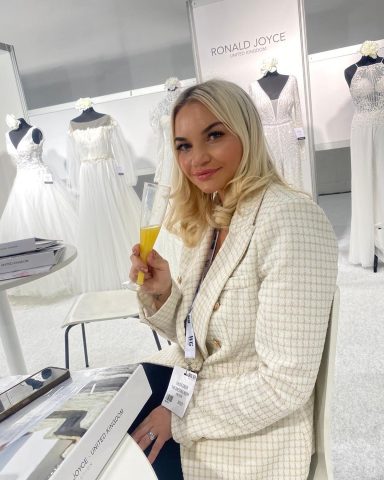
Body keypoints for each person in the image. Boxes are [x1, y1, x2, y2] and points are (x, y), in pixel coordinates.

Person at [129, 79, 338, 480]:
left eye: (214, 135)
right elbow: (198, 338)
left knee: (112, 462)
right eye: (184, 145)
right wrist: (163, 295)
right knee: (97, 418)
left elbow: (284, 385)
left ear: (246, 132)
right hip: (193, 385)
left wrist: (175, 419)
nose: (197, 159)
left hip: (245, 437)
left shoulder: (290, 219)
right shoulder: (215, 215)